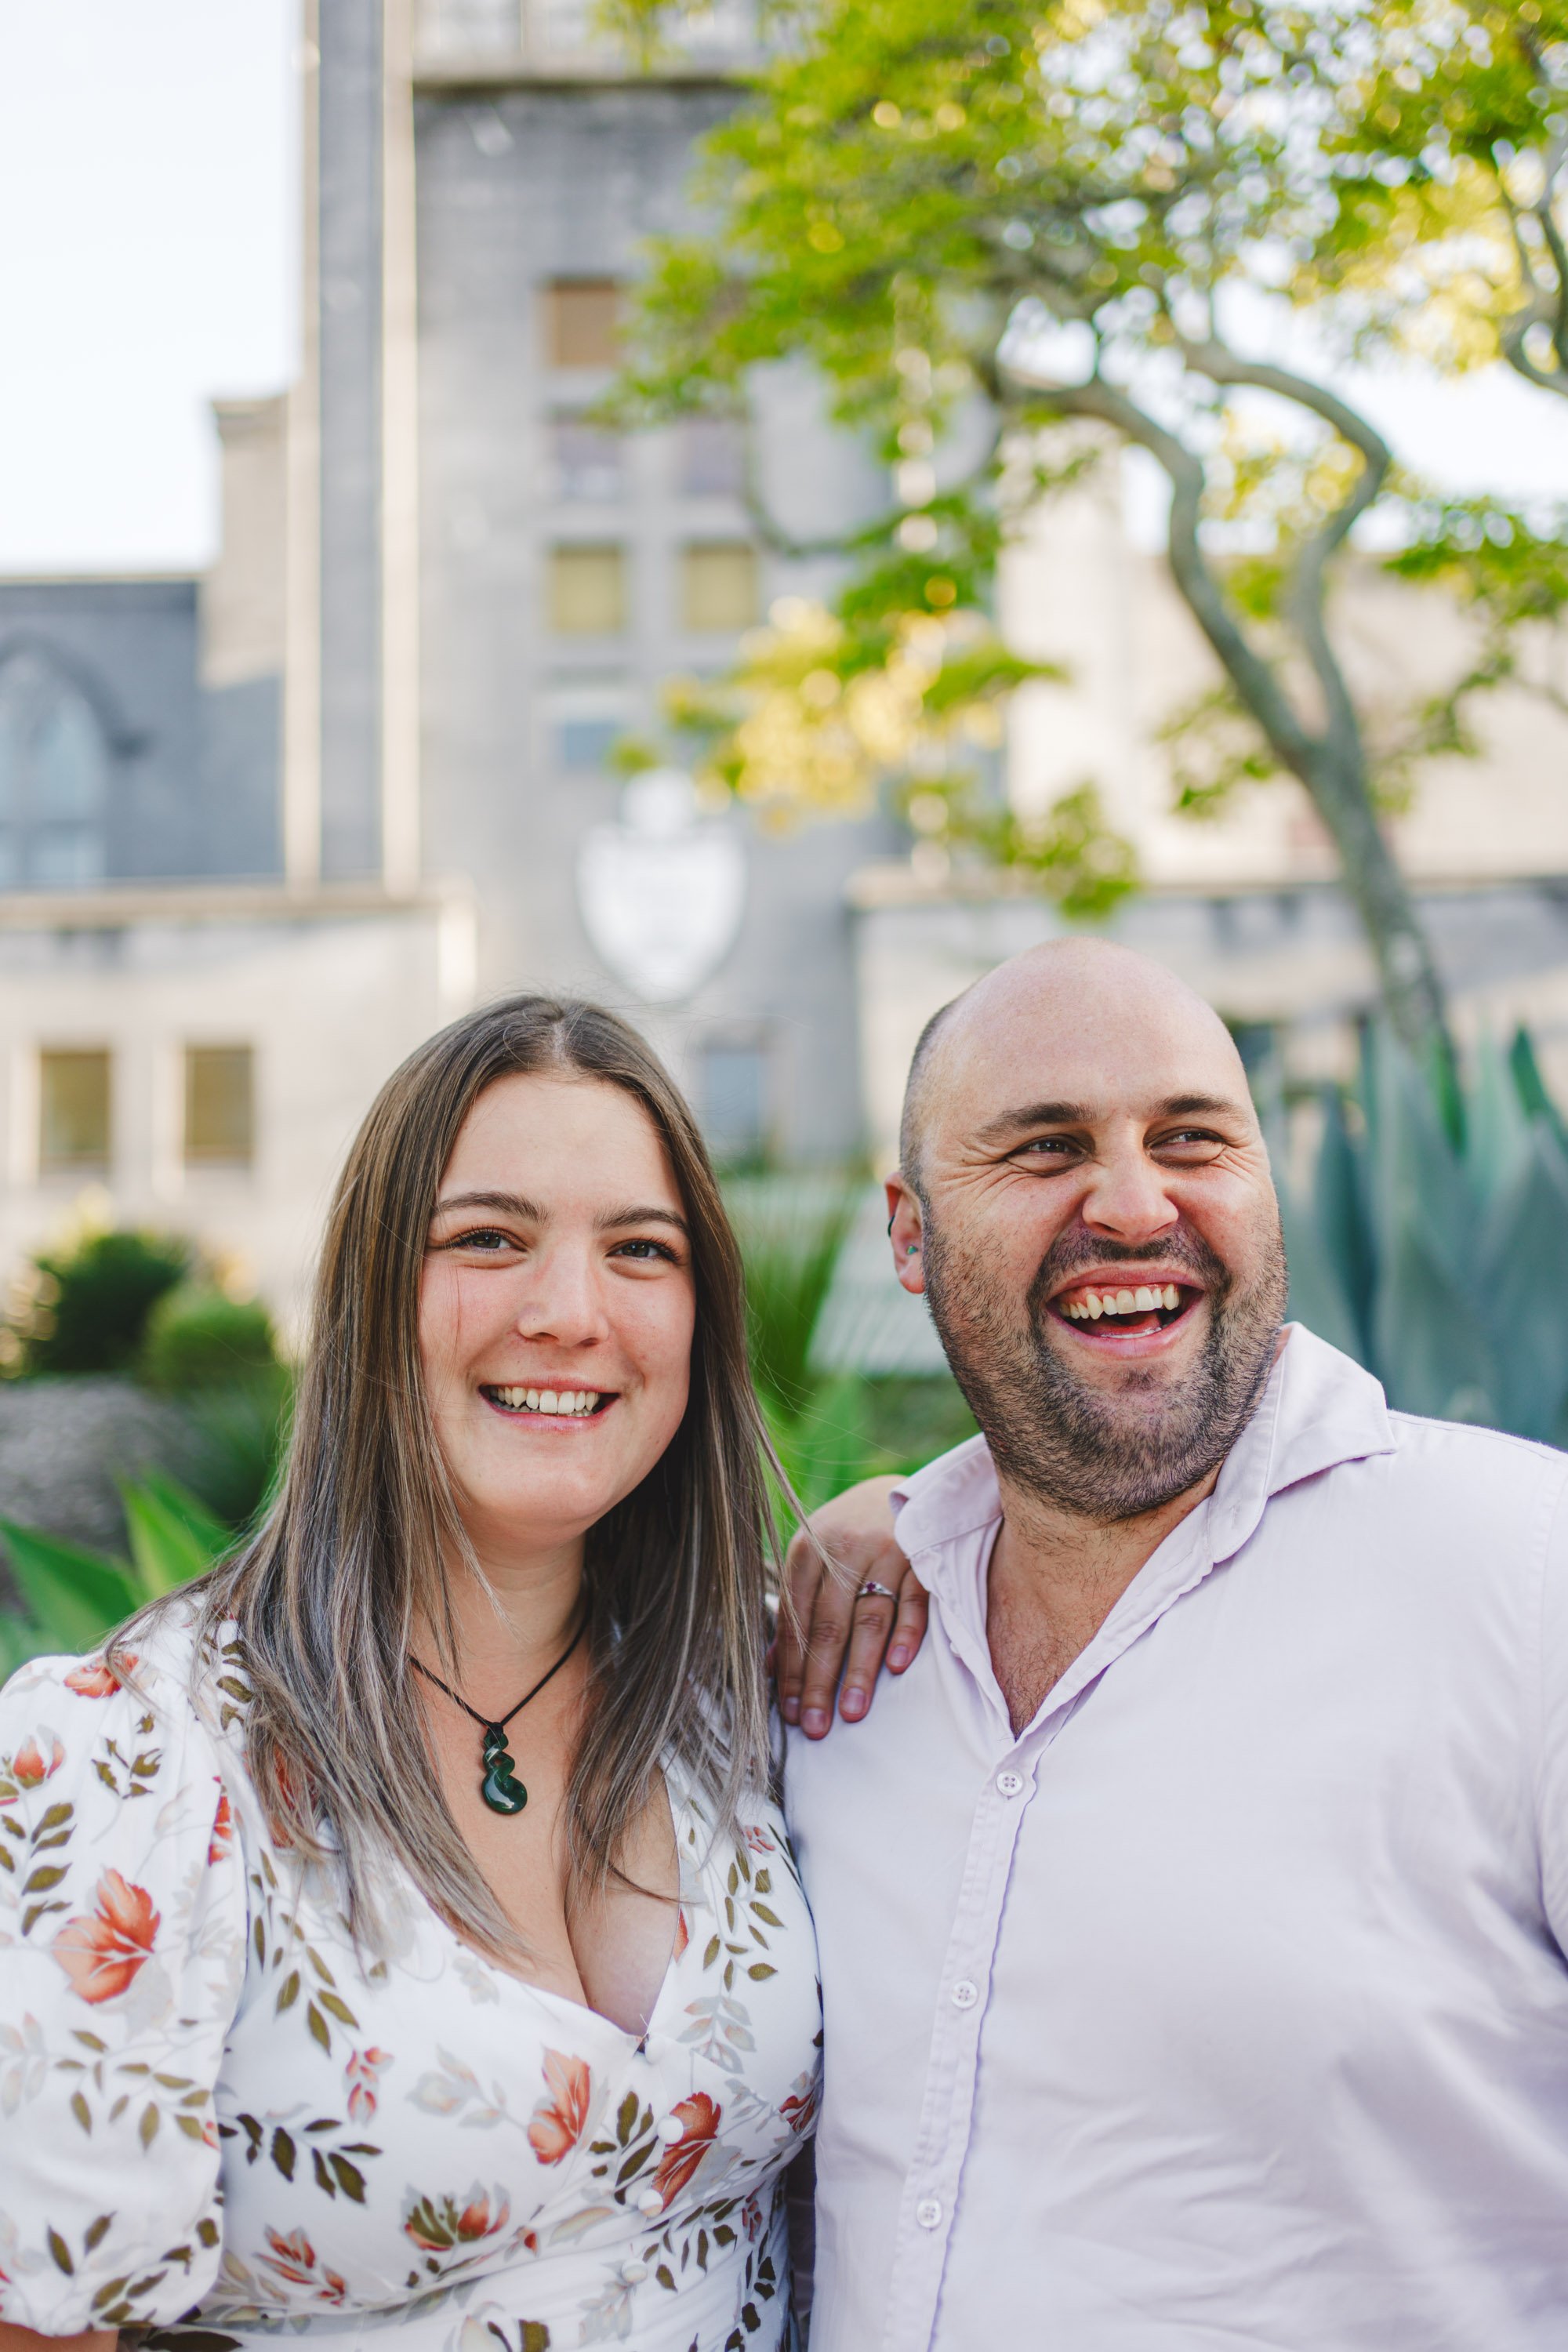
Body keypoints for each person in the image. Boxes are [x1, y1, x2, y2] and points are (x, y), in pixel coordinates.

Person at [0, 996, 915, 2352]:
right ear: (371, 1293)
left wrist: (922, 1510)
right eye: (488, 1238)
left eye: (639, 1249)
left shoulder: (759, 1692)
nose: (567, 1312)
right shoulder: (133, 1759)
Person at [776, 937, 1568, 2352]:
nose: (1136, 1204)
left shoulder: (1531, 1580)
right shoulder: (843, 1653)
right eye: (1044, 1148)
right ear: (907, 1232)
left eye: (1193, 1137)